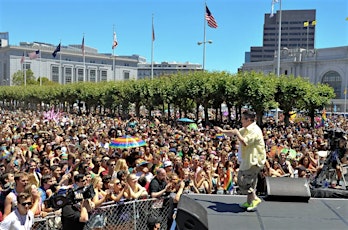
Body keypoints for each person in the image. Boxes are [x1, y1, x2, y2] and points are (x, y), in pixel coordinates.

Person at [216, 110, 266, 211]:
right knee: (247, 181)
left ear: (248, 119)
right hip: (247, 159)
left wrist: (237, 133)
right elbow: (235, 132)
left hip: (254, 160)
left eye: (243, 118)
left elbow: (245, 142)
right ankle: (249, 202)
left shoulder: (255, 130)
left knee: (244, 181)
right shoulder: (246, 129)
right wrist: (222, 131)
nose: (241, 120)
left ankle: (255, 199)